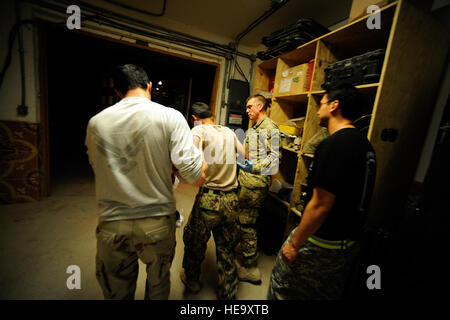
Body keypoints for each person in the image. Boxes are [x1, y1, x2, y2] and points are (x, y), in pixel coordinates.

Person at [85, 64, 207, 300]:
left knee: (117, 291)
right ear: (149, 86)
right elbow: (194, 176)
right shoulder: (170, 117)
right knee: (158, 285)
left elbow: (98, 168)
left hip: (113, 222)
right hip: (157, 224)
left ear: (118, 92)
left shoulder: (96, 123)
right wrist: (199, 157)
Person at [267, 83, 377, 300]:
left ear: (334, 106)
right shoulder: (365, 145)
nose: (318, 110)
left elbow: (320, 204)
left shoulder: (334, 145)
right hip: (347, 245)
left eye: (323, 104)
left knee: (282, 287)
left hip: (321, 244)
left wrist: (294, 244)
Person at [180, 102, 243, 300]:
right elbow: (243, 156)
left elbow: (193, 162)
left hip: (209, 199)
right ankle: (227, 293)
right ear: (212, 115)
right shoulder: (230, 132)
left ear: (194, 119)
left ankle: (192, 281)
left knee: (195, 242)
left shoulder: (198, 131)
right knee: (227, 248)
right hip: (232, 198)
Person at [235, 94, 280, 285]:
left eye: (249, 107)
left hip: (255, 185)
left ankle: (251, 268)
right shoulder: (255, 127)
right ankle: (244, 254)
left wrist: (252, 167)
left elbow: (274, 160)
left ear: (261, 106)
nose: (247, 111)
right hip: (246, 182)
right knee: (242, 220)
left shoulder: (270, 128)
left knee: (247, 224)